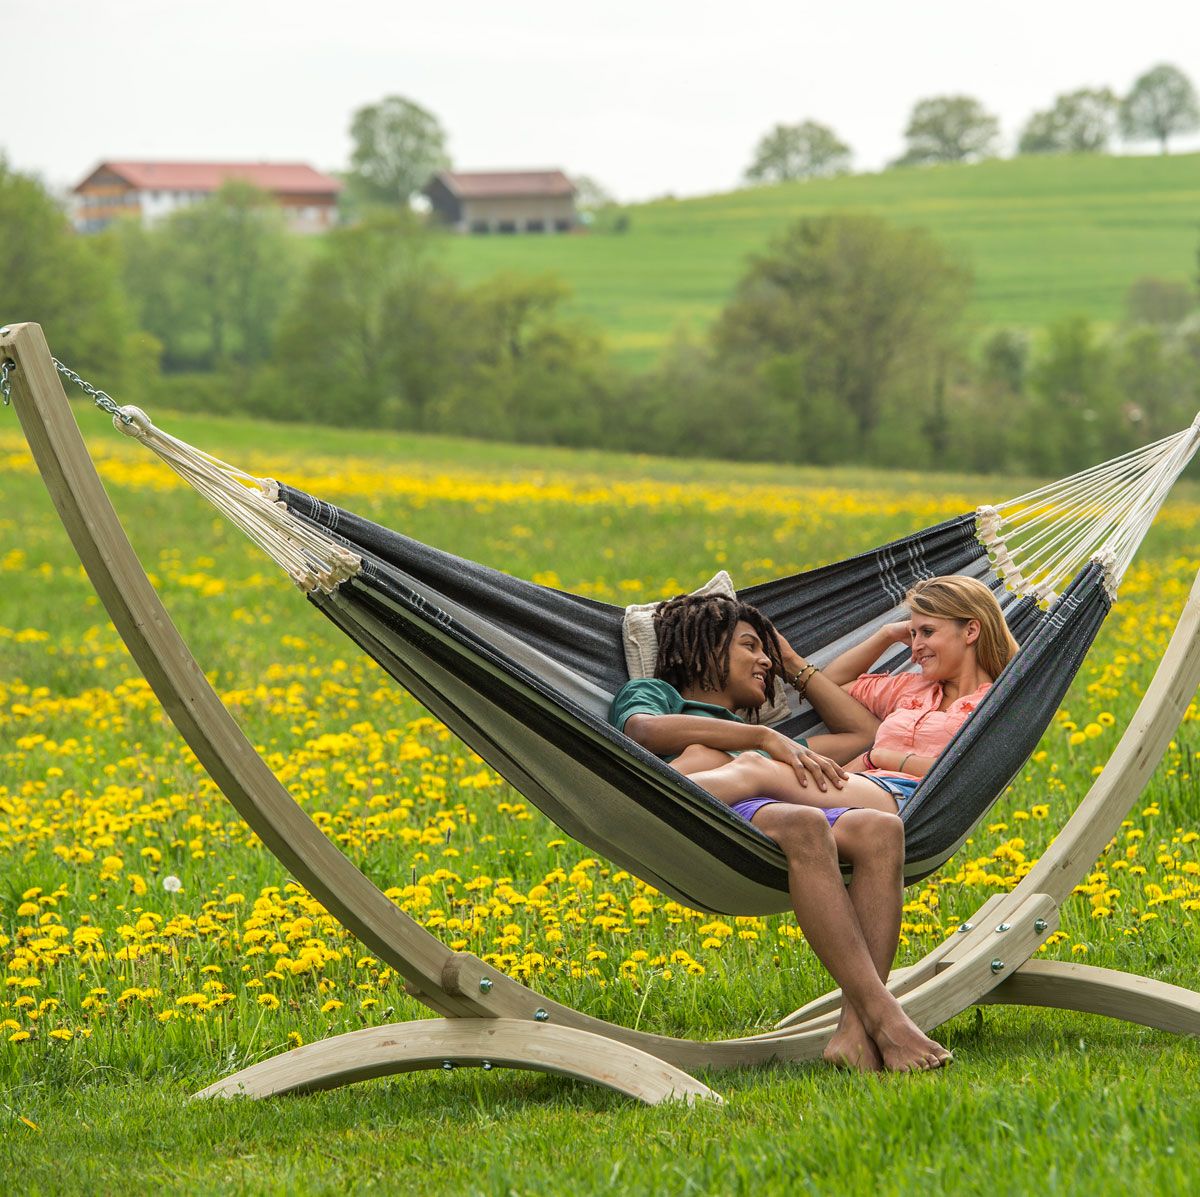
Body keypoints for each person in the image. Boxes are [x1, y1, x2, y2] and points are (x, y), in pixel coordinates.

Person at [610, 577, 1014, 1071]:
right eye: (750, 647)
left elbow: (861, 734)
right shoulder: (664, 698)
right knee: (773, 798)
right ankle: (885, 1018)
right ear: (704, 652)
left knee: (877, 830)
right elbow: (639, 730)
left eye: (767, 650)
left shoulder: (776, 744)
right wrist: (758, 736)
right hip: (715, 807)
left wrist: (775, 734)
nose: (766, 661)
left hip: (806, 798)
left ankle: (853, 1032)